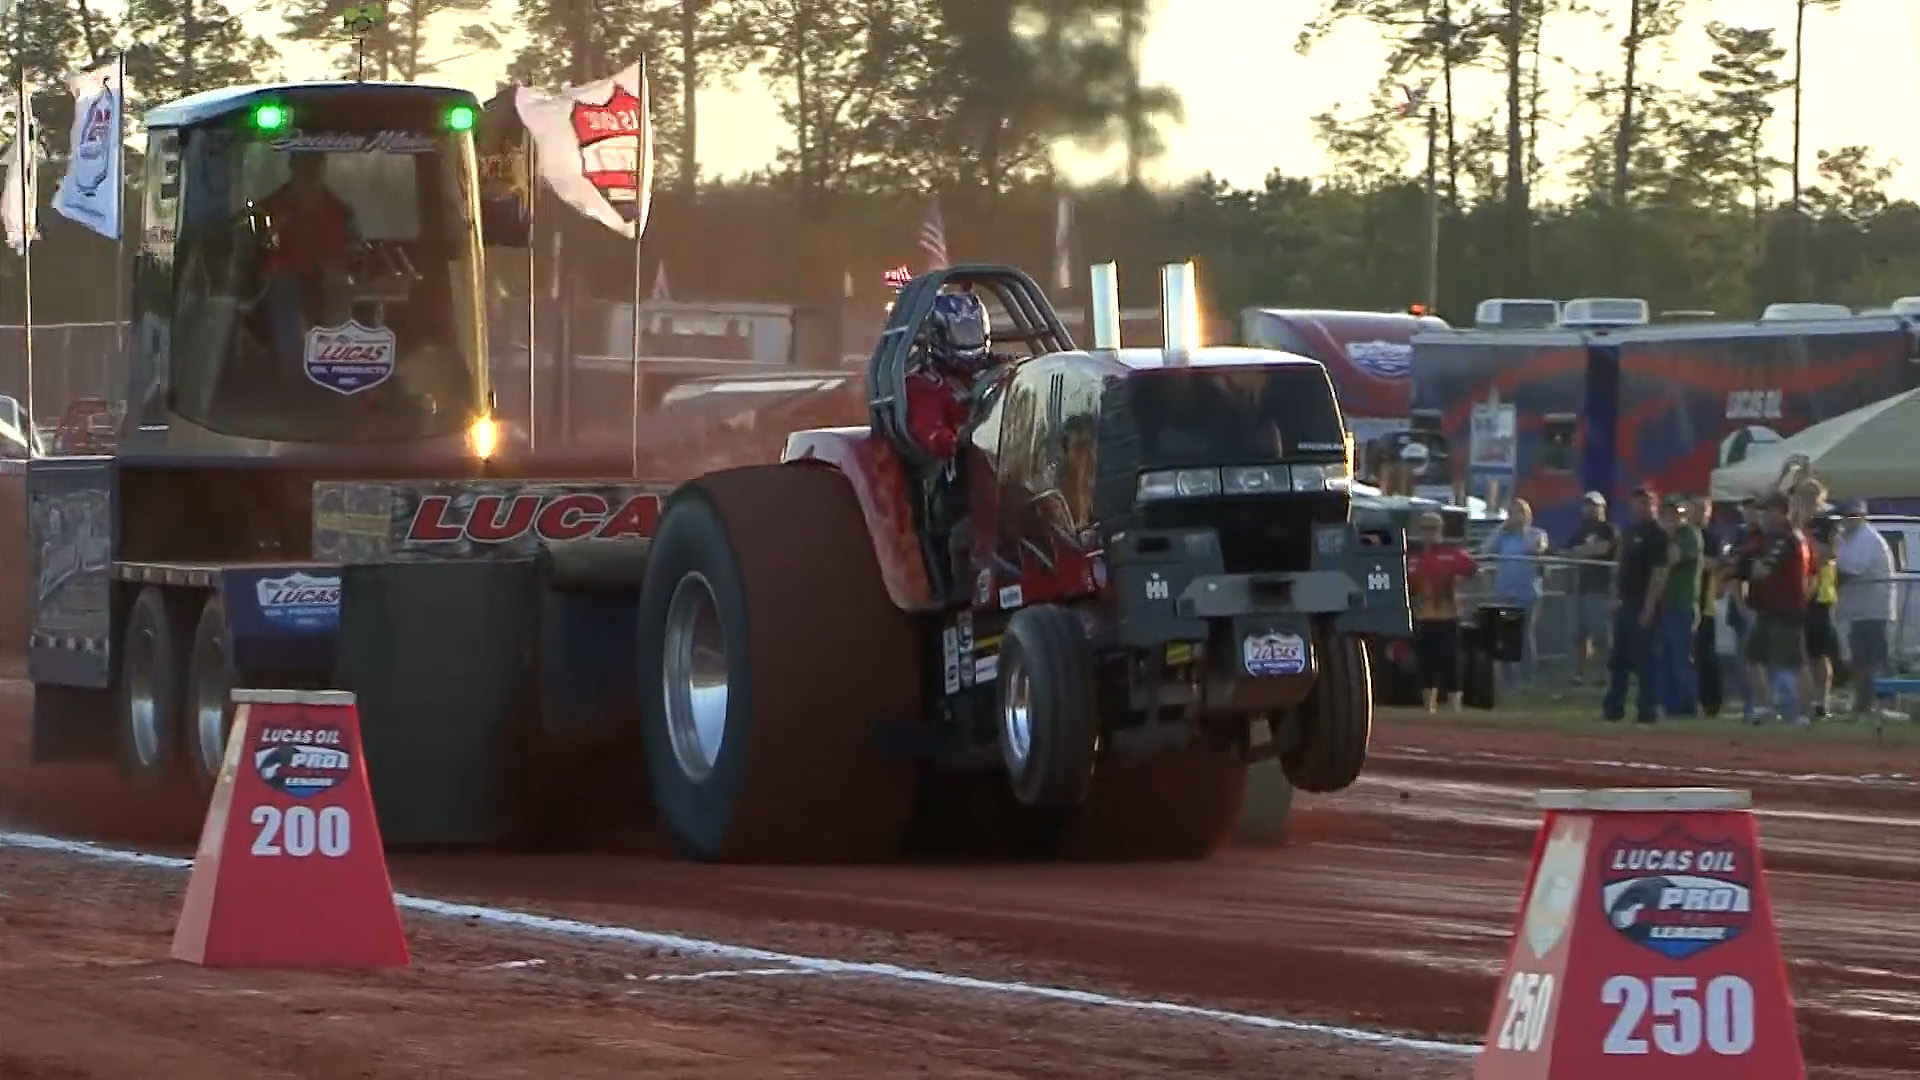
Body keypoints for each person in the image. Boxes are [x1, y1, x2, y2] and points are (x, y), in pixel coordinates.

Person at [903, 290, 1011, 592]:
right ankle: (983, 564)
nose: (969, 340)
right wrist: (960, 435)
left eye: (973, 331)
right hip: (953, 488)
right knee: (980, 453)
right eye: (962, 332)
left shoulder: (1002, 369)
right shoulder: (925, 385)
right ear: (940, 336)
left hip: (1014, 473)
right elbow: (930, 434)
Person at [259, 153, 361, 367]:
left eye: (315, 166)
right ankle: (294, 375)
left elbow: (355, 253)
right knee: (285, 300)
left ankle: (338, 369)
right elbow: (257, 251)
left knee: (340, 295)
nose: (309, 173)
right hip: (284, 284)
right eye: (304, 166)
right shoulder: (270, 211)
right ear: (293, 167)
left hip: (328, 283)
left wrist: (340, 272)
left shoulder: (341, 213)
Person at [1742, 492, 1813, 726]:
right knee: (1753, 658)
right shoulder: (1770, 538)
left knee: (1794, 663)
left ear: (1782, 512)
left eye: (1768, 511)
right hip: (1768, 607)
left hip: (1786, 608)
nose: (1762, 516)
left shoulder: (1788, 538)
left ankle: (1803, 714)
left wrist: (1741, 568)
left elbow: (1762, 570)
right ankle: (1764, 708)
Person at [1604, 486, 1669, 723]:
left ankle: (1647, 709)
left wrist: (1650, 606)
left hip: (1644, 602)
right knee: (1619, 659)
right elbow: (1621, 566)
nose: (1642, 508)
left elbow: (1659, 572)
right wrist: (1614, 595)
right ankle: (1613, 708)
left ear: (1654, 506)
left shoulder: (1658, 535)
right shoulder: (1629, 532)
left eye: (1646, 504)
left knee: (1646, 660)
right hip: (1626, 600)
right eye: (1638, 503)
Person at [1834, 500, 1899, 722]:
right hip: (1858, 611)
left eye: (1851, 516)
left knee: (1876, 660)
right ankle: (1862, 707)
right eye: (1844, 516)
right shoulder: (1847, 538)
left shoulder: (1868, 538)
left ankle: (1885, 706)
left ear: (1861, 516)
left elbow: (1854, 568)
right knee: (1860, 661)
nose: (1846, 520)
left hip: (1875, 609)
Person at [1407, 511, 1478, 713]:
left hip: (1448, 614)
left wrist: (1459, 583)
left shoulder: (1451, 553)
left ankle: (1456, 705)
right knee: (1426, 660)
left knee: (1451, 660)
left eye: (1433, 529)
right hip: (1423, 614)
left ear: (1440, 530)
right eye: (1425, 529)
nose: (1429, 534)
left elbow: (1472, 568)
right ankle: (1429, 705)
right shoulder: (1414, 557)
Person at [1480, 498, 1549, 687]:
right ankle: (1509, 680)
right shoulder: (1503, 536)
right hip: (1504, 591)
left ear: (1527, 514)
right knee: (1505, 635)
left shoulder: (1537, 534)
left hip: (1527, 592)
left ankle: (1528, 677)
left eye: (1519, 512)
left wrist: (1522, 529)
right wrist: (1501, 528)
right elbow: (1485, 549)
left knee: (1525, 634)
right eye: (1511, 512)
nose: (1514, 516)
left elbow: (1536, 549)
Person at [1563, 491, 1620, 686]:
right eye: (1586, 504)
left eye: (1594, 505)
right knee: (1579, 635)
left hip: (1601, 588)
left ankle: (1604, 674)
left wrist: (1581, 552)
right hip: (1579, 588)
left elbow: (1603, 549)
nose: (1589, 508)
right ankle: (1579, 673)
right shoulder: (1580, 531)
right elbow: (1565, 552)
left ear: (1602, 507)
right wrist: (1584, 552)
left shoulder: (1609, 529)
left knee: (1601, 635)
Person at [1657, 495, 1704, 717]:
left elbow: (1673, 558)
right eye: (1666, 514)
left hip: (1683, 603)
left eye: (1675, 514)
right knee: (1665, 658)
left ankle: (1687, 707)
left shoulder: (1689, 535)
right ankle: (1670, 706)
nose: (1671, 519)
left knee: (1681, 657)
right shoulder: (1665, 537)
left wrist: (1668, 538)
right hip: (1666, 603)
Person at [1692, 495, 1727, 716]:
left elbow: (1715, 564)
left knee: (1707, 656)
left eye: (1704, 508)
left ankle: (1712, 703)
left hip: (1705, 605)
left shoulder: (1712, 538)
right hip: (1686, 602)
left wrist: (1693, 557)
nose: (1700, 512)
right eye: (1696, 507)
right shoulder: (1682, 533)